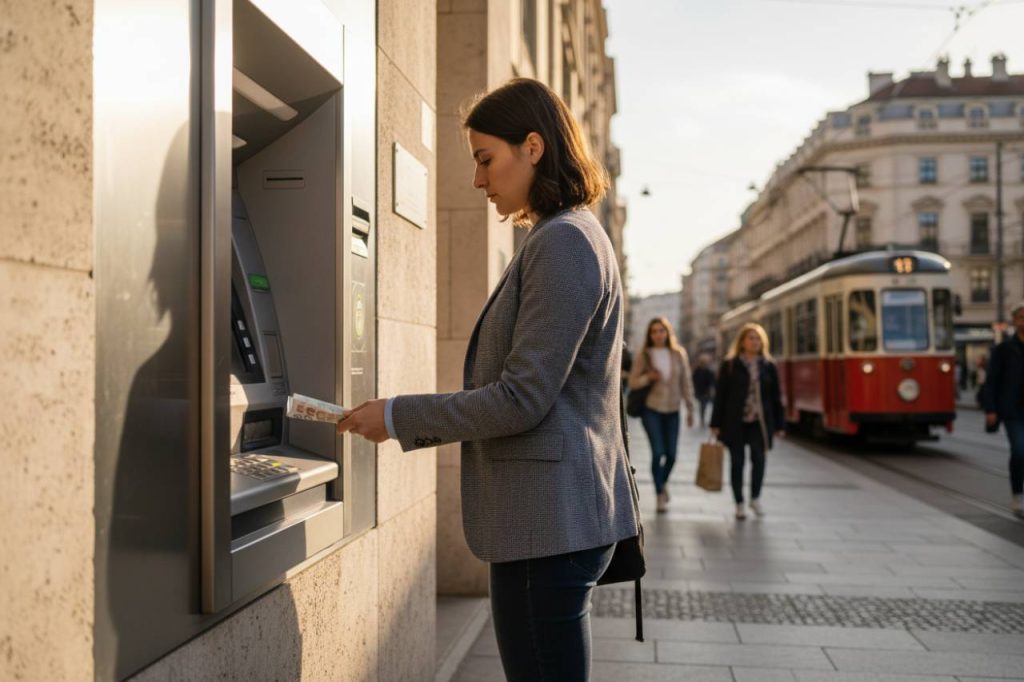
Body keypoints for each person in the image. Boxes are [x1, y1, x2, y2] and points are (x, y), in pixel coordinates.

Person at [337, 78, 639, 682]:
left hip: (545, 527)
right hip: (555, 520)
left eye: (484, 159)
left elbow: (522, 399)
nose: (477, 181)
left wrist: (396, 416)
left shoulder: (565, 243)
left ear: (533, 147)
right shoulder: (568, 236)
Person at [709, 322, 785, 520]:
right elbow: (721, 396)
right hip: (735, 422)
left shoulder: (768, 366)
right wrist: (715, 423)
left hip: (759, 422)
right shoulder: (730, 364)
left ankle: (755, 497)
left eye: (758, 338)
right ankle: (739, 503)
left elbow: (777, 397)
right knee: (738, 462)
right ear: (742, 342)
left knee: (759, 459)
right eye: (751, 338)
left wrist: (779, 425)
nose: (755, 342)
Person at [627, 317, 695, 513]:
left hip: (673, 410)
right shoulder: (645, 355)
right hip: (651, 409)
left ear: (668, 333)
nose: (658, 335)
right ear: (650, 335)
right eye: (654, 331)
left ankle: (662, 482)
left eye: (661, 331)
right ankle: (659, 495)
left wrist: (690, 408)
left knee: (671, 455)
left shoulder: (678, 354)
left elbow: (686, 382)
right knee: (658, 453)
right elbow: (632, 382)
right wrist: (648, 377)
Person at [981, 304, 1024, 518]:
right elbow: (992, 381)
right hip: (1013, 410)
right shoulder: (1004, 349)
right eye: (1021, 317)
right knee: (1019, 451)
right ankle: (1018, 494)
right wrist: (991, 409)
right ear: (1015, 321)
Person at [692, 354, 716, 428]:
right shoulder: (697, 371)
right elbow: (694, 380)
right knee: (702, 406)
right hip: (700, 392)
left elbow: (712, 381)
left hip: (706, 392)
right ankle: (702, 419)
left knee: (705, 406)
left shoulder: (708, 371)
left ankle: (705, 419)